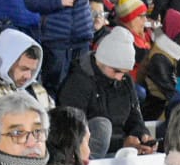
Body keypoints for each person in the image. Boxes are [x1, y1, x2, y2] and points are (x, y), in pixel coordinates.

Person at [57, 27, 152, 157]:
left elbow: (135, 115)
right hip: (90, 156)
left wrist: (141, 135)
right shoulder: (77, 83)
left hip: (123, 152)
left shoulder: (125, 80)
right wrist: (122, 143)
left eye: (125, 73)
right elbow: (72, 134)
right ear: (102, 60)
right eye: (116, 71)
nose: (120, 77)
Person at [0, 27, 55, 110]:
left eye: (32, 70)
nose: (28, 76)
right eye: (24, 69)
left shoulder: (36, 88)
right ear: (8, 63)